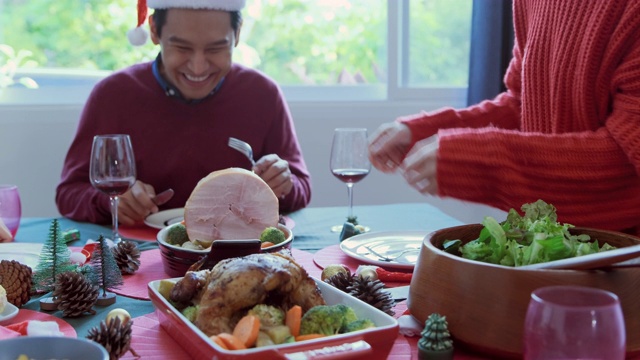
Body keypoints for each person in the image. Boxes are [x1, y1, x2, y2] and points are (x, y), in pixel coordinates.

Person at [369, 0, 640, 234]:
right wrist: (422, 130)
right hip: (555, 249)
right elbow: (524, 103)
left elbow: (629, 165)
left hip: (624, 269)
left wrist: (483, 160)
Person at [56, 0, 311, 226]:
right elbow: (69, 193)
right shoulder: (113, 94)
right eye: (182, 48)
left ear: (237, 34)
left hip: (237, 253)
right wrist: (108, 202)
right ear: (154, 30)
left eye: (215, 49)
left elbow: (301, 186)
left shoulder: (262, 93)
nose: (198, 67)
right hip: (140, 253)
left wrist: (281, 183)